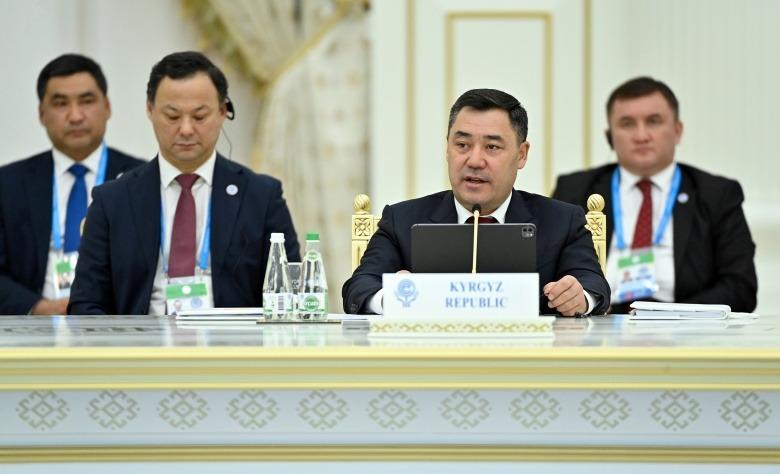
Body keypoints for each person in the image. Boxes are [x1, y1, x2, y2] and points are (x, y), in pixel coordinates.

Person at [68, 51, 299, 315]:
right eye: (172, 116)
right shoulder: (113, 201)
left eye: (199, 116)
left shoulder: (261, 197)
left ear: (223, 112)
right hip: (141, 338)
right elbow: (85, 303)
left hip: (232, 339)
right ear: (150, 110)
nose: (186, 129)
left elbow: (290, 296)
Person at [343, 88, 610, 316]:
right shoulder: (402, 220)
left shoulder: (562, 221)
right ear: (447, 148)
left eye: (492, 147)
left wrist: (579, 296)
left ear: (521, 154)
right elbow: (359, 288)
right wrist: (394, 297)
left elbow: (593, 284)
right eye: (462, 145)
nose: (474, 160)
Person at [552, 76, 757, 313]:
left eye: (653, 121)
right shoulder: (574, 190)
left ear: (677, 131)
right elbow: (550, 273)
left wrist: (673, 317)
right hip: (597, 320)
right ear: (610, 137)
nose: (641, 136)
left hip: (687, 327)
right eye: (627, 124)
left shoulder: (717, 194)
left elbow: (740, 287)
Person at [0, 54, 143, 315]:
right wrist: (38, 308)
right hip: (34, 329)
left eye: (87, 101)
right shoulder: (8, 184)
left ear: (107, 107)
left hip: (116, 326)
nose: (75, 116)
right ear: (41, 114)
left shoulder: (142, 179)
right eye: (60, 103)